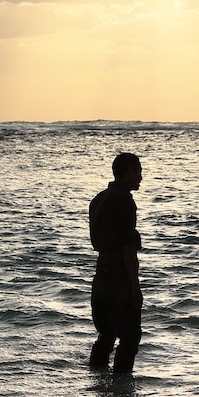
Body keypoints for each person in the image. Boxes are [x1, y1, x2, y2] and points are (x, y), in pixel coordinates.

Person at [88, 152, 144, 374]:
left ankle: (96, 381)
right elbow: (127, 249)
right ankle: (122, 393)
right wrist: (135, 289)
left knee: (107, 334)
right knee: (130, 338)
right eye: (138, 171)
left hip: (101, 274)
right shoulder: (125, 201)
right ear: (128, 171)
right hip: (118, 276)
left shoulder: (99, 199)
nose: (140, 177)